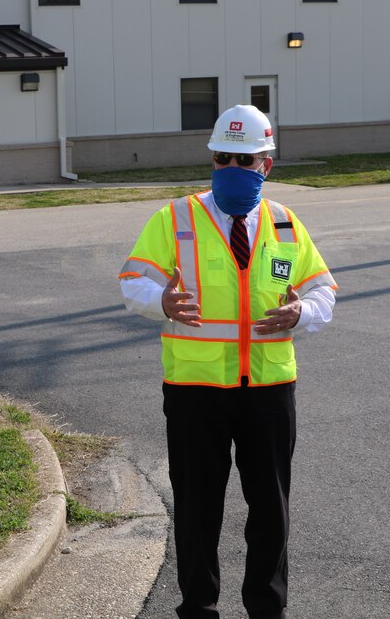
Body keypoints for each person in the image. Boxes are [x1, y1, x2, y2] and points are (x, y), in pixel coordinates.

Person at [118, 104, 337, 619]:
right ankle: (198, 608)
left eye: (246, 159)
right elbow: (133, 281)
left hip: (269, 392)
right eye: (224, 158)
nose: (233, 168)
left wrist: (301, 312)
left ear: (268, 164)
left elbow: (323, 289)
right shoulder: (175, 218)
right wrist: (161, 302)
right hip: (196, 392)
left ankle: (267, 610)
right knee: (197, 510)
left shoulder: (285, 223)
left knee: (271, 512)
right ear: (212, 159)